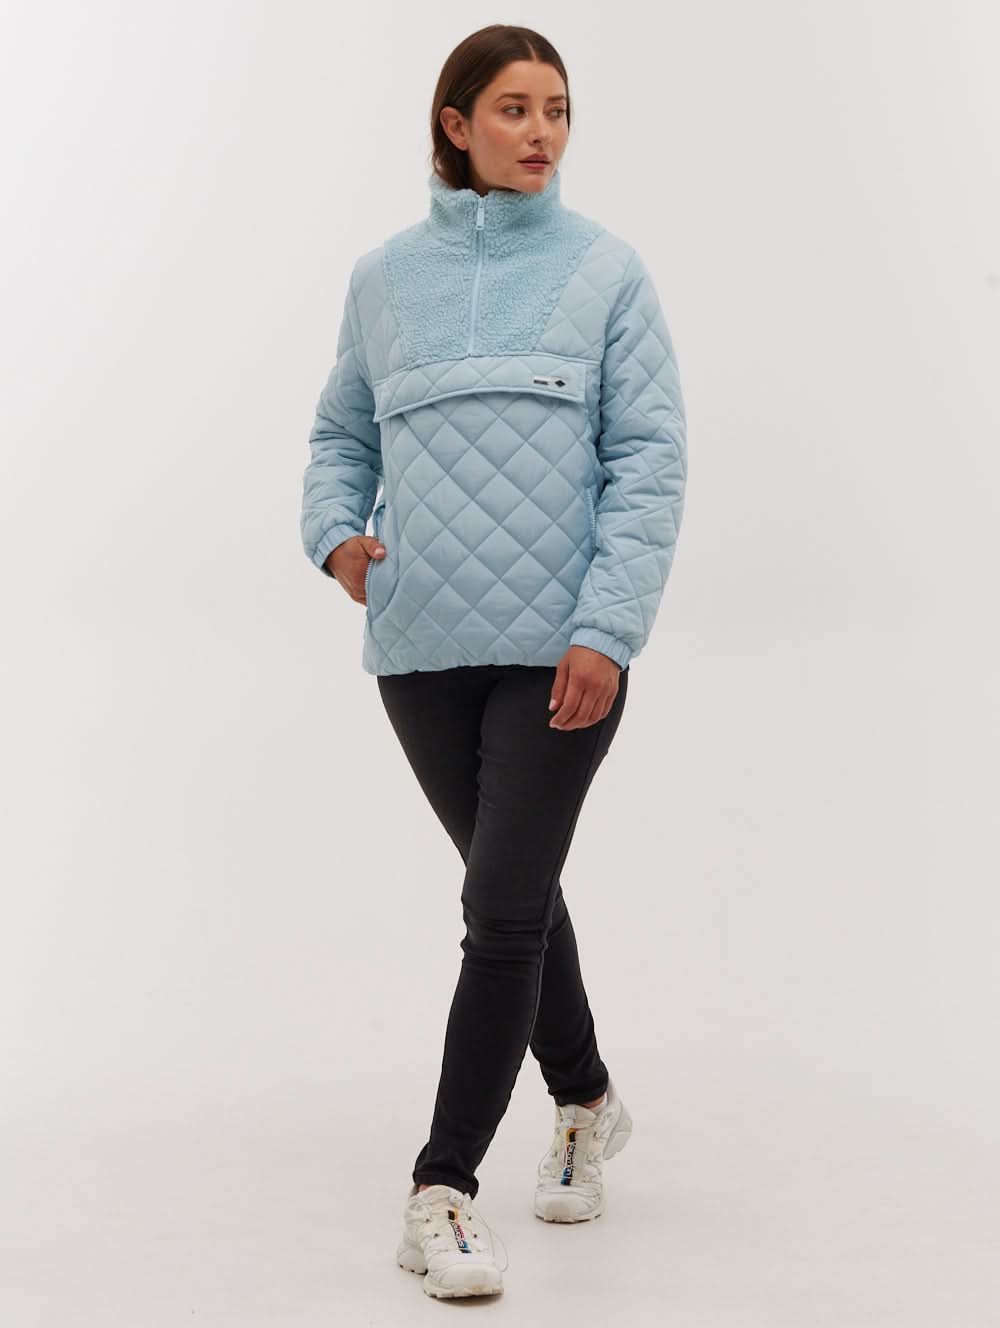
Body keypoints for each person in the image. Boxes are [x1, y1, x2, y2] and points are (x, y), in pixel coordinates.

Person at [300, 24, 687, 1301]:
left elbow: (648, 461)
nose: (541, 132)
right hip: (419, 645)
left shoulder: (605, 271)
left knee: (501, 910)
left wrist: (606, 629)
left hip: (558, 648)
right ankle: (585, 1097)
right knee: (509, 887)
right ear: (455, 123)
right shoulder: (382, 280)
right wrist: (337, 539)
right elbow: (339, 432)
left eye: (557, 108)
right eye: (514, 108)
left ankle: (442, 1189)